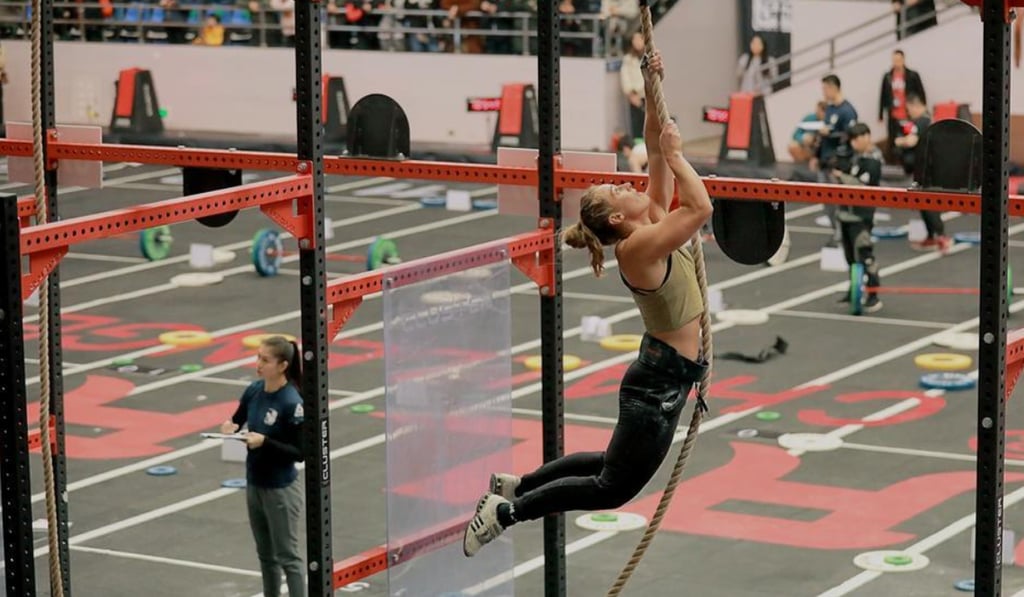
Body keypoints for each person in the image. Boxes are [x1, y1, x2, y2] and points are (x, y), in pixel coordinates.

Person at [463, 50, 711, 558]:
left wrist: (649, 86)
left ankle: (518, 485)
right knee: (611, 487)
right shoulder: (639, 247)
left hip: (663, 373)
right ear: (617, 219)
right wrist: (680, 154)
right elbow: (701, 206)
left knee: (607, 466)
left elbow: (655, 155)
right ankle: (507, 513)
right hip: (658, 383)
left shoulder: (650, 226)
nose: (626, 183)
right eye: (618, 188)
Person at [220, 336, 306, 597]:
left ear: (282, 365)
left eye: (265, 360)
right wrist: (230, 427)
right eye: (258, 357)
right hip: (255, 484)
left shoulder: (292, 402)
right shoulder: (254, 391)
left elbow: (300, 453)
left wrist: (265, 442)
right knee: (265, 556)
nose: (258, 363)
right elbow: (237, 419)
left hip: (280, 488)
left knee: (287, 557)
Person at [831, 122, 884, 314]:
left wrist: (842, 176)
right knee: (850, 258)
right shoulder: (854, 157)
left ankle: (873, 294)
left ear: (866, 137)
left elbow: (863, 185)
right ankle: (853, 290)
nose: (854, 143)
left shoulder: (873, 159)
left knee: (865, 255)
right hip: (846, 212)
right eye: (852, 140)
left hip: (861, 215)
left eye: (857, 139)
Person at [892, 93, 950, 252]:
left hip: (927, 170)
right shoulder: (927, 121)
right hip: (926, 168)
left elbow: (911, 140)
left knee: (929, 203)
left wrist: (900, 141)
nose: (909, 113)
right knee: (923, 203)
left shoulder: (922, 121)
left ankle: (941, 236)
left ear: (916, 106)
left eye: (910, 109)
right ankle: (933, 236)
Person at [811, 74, 859, 246]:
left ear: (833, 87)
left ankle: (842, 235)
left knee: (839, 201)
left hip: (837, 163)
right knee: (827, 202)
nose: (823, 92)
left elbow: (851, 137)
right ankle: (835, 231)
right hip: (825, 160)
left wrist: (831, 135)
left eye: (824, 88)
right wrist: (816, 156)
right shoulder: (830, 109)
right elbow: (823, 135)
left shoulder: (847, 111)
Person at [878, 49, 927, 163]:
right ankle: (894, 162)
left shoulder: (912, 75)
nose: (897, 62)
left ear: (903, 60)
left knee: (910, 137)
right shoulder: (888, 76)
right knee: (893, 139)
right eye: (894, 60)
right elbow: (883, 95)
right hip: (894, 114)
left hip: (908, 114)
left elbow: (921, 92)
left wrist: (922, 107)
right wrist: (880, 113)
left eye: (899, 60)